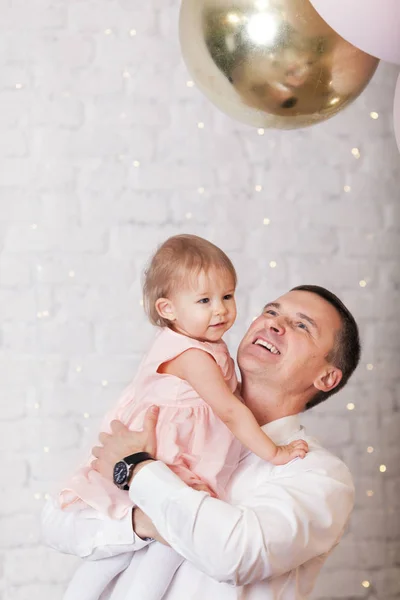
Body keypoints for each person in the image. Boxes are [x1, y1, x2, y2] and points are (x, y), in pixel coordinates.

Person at [42, 284, 360, 600]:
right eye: (271, 311)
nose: (273, 323)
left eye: (301, 325)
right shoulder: (171, 415)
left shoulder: (320, 474)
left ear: (327, 377)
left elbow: (236, 554)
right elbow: (58, 521)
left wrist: (137, 469)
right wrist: (145, 523)